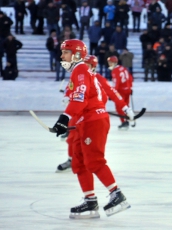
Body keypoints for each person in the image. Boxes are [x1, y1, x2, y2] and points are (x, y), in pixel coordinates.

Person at [51, 39, 130, 218]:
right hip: (84, 121)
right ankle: (90, 201)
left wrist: (65, 118)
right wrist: (68, 121)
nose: (62, 55)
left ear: (77, 54)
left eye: (65, 52)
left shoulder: (80, 68)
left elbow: (81, 98)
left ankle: (117, 194)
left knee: (94, 160)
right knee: (78, 161)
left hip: (93, 121)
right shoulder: (79, 70)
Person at [107, 55, 133, 130]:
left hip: (121, 91)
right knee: (126, 106)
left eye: (110, 62)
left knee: (119, 107)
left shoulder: (115, 70)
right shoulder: (123, 68)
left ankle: (123, 122)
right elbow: (130, 78)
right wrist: (130, 87)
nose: (109, 64)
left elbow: (116, 83)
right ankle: (127, 119)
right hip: (127, 90)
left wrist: (113, 94)